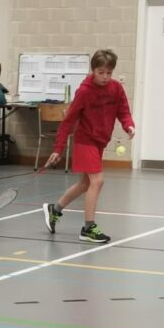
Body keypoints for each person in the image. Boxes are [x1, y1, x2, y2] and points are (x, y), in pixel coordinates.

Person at [43, 49, 135, 244]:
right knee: (97, 181)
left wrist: (129, 125)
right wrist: (58, 148)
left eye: (109, 72)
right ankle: (88, 227)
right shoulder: (84, 92)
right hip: (85, 140)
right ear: (93, 70)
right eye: (101, 72)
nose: (105, 77)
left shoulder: (116, 88)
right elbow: (68, 121)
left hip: (101, 140)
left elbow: (123, 111)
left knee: (85, 183)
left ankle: (55, 209)